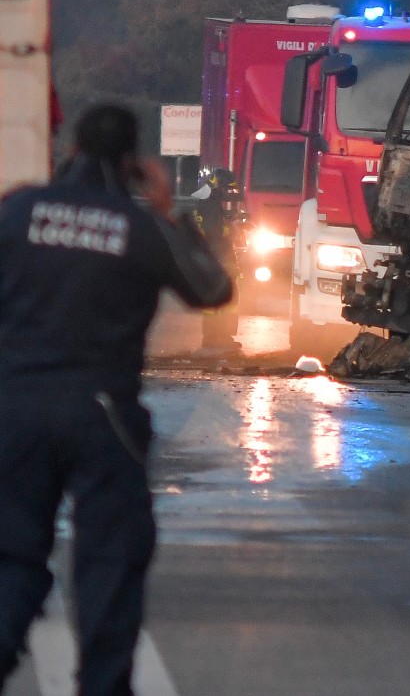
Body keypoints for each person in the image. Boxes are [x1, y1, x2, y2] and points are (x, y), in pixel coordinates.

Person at [0, 105, 232, 694]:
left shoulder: (20, 210)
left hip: (15, 408)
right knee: (109, 560)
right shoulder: (140, 228)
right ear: (134, 163)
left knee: (11, 553)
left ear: (73, 148)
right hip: (103, 417)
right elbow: (212, 288)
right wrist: (169, 213)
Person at [190, 167, 242, 350]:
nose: (227, 193)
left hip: (212, 256)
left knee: (216, 300)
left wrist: (226, 218)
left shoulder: (205, 200)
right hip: (218, 257)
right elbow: (215, 231)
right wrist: (232, 228)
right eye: (226, 189)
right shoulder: (209, 204)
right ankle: (218, 337)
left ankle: (215, 337)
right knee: (227, 299)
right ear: (218, 185)